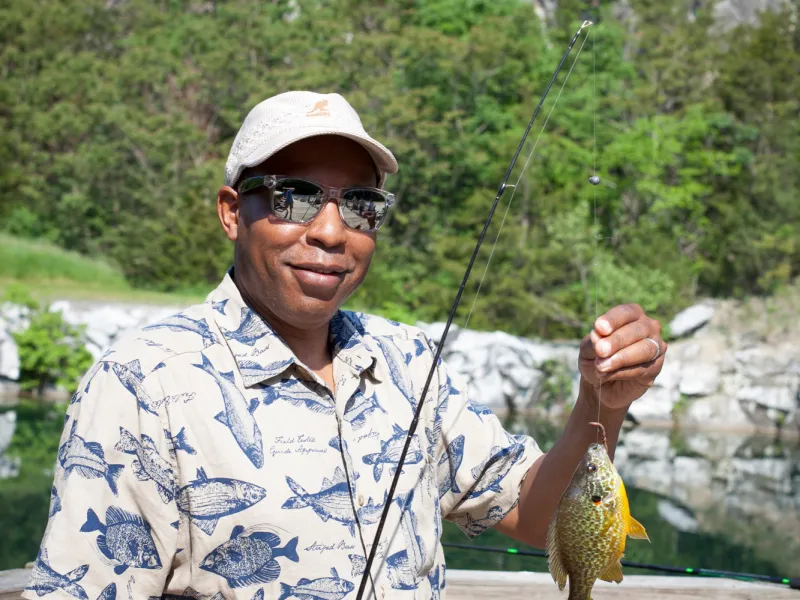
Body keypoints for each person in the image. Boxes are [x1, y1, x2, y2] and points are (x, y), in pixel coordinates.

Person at [24, 91, 666, 600]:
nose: (332, 231)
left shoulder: (409, 362)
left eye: (360, 204)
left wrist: (601, 400)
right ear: (230, 212)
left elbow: (533, 515)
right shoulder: (143, 381)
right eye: (294, 197)